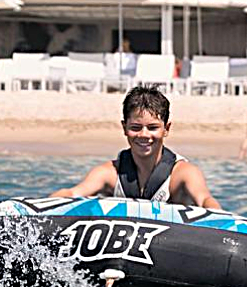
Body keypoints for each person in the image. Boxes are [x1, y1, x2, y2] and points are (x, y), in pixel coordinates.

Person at [52, 86, 221, 208]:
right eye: (135, 128)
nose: (144, 135)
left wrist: (221, 218)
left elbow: (205, 199)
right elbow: (72, 194)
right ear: (124, 128)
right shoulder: (109, 173)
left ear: (166, 129)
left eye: (153, 128)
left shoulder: (183, 173)